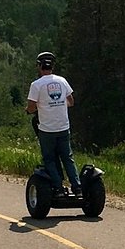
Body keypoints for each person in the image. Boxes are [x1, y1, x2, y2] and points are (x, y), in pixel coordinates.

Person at [26, 51, 81, 196]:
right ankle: (77, 186)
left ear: (39, 66)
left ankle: (58, 188)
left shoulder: (36, 85)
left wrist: (39, 107)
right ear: (52, 66)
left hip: (47, 130)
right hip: (63, 127)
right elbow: (71, 101)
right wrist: (58, 105)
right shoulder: (62, 81)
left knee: (49, 159)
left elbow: (31, 107)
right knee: (67, 158)